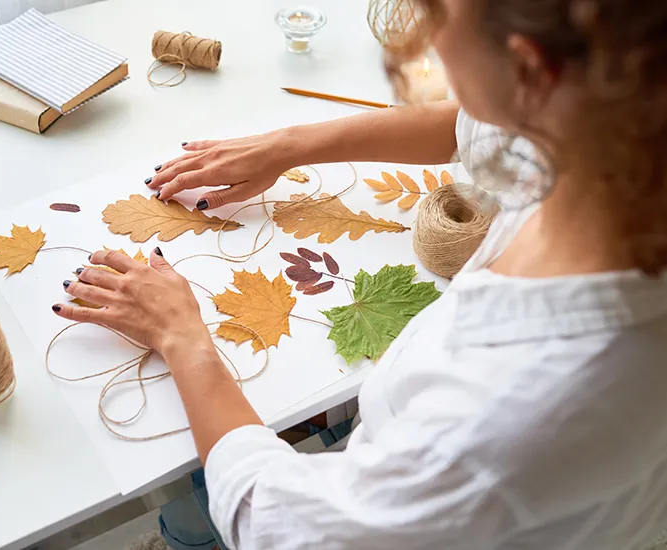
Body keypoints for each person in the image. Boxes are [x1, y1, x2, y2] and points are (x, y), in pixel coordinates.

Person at [52, 0, 667, 548]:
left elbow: (272, 521)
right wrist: (288, 146)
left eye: (438, 11)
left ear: (528, 69)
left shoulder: (500, 420)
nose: (424, 30)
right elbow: (471, 128)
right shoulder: (614, 135)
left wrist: (185, 341)